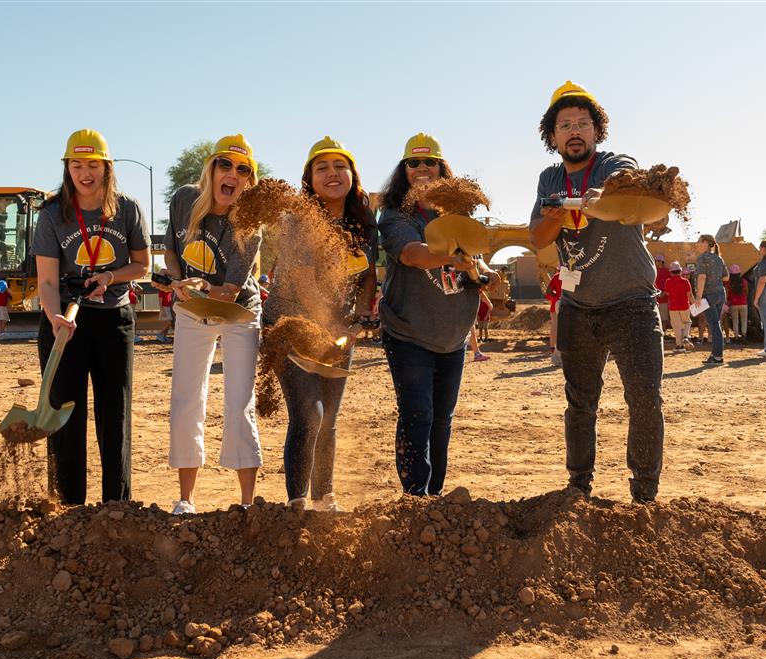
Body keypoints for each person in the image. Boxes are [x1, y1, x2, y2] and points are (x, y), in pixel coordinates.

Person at [529, 81, 664, 504]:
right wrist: (558, 211)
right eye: (564, 124)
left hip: (632, 303)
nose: (574, 131)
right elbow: (538, 236)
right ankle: (578, 488)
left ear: (596, 130)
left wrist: (594, 197)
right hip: (577, 307)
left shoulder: (612, 163)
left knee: (643, 399)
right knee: (580, 404)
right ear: (551, 136)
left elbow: (624, 183)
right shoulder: (548, 177)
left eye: (582, 124)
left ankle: (643, 493)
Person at [30, 128, 150, 504]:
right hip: (66, 322)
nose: (85, 173)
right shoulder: (52, 214)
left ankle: (117, 508)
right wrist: (54, 318)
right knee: (66, 416)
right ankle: (68, 508)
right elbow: (47, 281)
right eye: (77, 165)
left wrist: (111, 276)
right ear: (67, 168)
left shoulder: (127, 208)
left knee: (115, 416)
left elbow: (142, 265)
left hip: (114, 320)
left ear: (106, 167)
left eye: (93, 164)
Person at [379, 132, 501, 496]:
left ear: (441, 168)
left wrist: (483, 277)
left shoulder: (458, 214)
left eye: (429, 162)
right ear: (404, 170)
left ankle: (434, 498)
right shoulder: (395, 215)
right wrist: (453, 257)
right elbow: (414, 255)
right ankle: (414, 499)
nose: (421, 169)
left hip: (453, 337)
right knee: (418, 416)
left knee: (442, 422)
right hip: (409, 334)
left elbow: (472, 263)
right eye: (413, 163)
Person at [263, 137, 378, 511]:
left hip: (339, 332)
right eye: (322, 168)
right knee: (308, 412)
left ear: (352, 175)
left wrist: (360, 316)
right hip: (293, 327)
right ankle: (296, 505)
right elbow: (302, 282)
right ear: (309, 179)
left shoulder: (361, 221)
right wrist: (335, 327)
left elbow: (368, 277)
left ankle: (324, 499)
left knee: (329, 417)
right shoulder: (299, 222)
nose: (332, 174)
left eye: (339, 166)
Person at [158, 134, 263, 514]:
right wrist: (175, 279)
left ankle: (247, 503)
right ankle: (186, 500)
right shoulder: (185, 199)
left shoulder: (251, 224)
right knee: (186, 398)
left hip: (238, 311)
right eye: (225, 164)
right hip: (192, 307)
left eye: (242, 169)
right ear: (211, 169)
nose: (232, 174)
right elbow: (171, 249)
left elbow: (231, 290)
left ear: (248, 181)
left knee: (239, 401)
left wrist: (198, 286)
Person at [693, 233, 728, 364]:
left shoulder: (702, 258)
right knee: (716, 324)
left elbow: (702, 277)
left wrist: (698, 297)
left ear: (706, 243)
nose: (697, 244)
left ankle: (717, 356)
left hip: (709, 296)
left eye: (699, 242)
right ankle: (716, 355)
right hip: (720, 294)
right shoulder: (719, 258)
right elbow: (726, 277)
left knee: (714, 325)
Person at [664, 261, 695, 352]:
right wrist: (695, 304)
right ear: (680, 271)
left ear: (671, 272)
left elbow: (667, 293)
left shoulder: (668, 282)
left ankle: (679, 345)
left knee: (676, 326)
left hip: (673, 307)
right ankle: (685, 336)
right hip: (684, 306)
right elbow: (690, 295)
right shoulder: (685, 282)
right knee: (687, 322)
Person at [545, 268, 562, 366]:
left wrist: (556, 295)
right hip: (568, 304)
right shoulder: (573, 276)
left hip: (555, 303)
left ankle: (552, 348)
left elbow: (548, 292)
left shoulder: (556, 276)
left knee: (554, 327)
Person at [653, 254, 670, 331]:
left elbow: (670, 283)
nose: (656, 262)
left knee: (664, 318)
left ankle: (663, 333)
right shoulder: (653, 271)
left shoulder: (667, 271)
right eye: (656, 260)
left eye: (658, 261)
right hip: (655, 298)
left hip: (664, 299)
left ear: (662, 262)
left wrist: (665, 292)